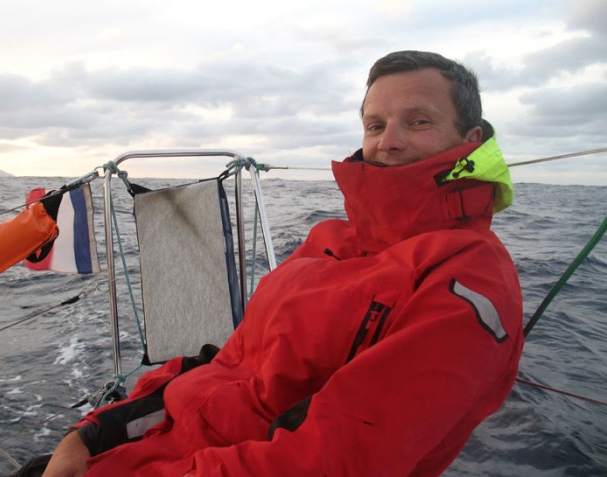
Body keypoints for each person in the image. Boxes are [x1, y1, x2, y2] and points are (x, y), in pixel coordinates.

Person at [39, 50, 523, 476]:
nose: (387, 142)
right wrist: (93, 434)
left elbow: (336, 456)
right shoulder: (330, 239)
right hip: (151, 446)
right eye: (375, 125)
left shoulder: (467, 279)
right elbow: (228, 360)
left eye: (418, 122)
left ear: (470, 138)